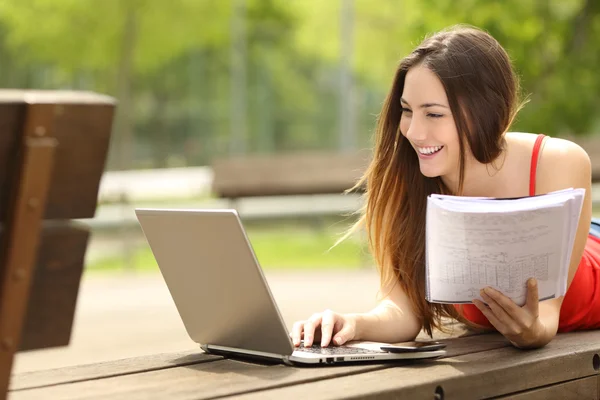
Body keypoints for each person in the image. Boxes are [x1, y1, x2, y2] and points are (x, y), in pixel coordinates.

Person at [291, 24, 600, 350]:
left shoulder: (558, 161)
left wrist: (533, 331)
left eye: (434, 114)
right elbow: (403, 312)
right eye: (407, 111)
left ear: (484, 113)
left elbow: (546, 317)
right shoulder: (409, 183)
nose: (414, 132)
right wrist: (352, 323)